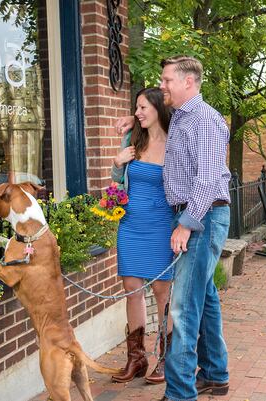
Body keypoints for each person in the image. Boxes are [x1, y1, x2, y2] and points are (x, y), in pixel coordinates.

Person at [116, 55, 231, 401]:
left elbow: (208, 179)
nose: (162, 85)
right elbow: (156, 133)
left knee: (182, 306)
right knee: (206, 298)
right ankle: (214, 374)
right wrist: (134, 121)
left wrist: (185, 224)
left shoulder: (205, 120)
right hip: (192, 215)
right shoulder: (181, 118)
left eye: (167, 80)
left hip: (202, 217)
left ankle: (180, 393)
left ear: (188, 82)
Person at [110, 87, 174, 385]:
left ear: (158, 109)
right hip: (131, 224)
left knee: (163, 292)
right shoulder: (133, 138)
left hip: (162, 226)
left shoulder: (176, 142)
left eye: (142, 107)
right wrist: (118, 162)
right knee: (132, 288)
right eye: (135, 107)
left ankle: (166, 358)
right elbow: (117, 181)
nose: (137, 112)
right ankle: (136, 358)